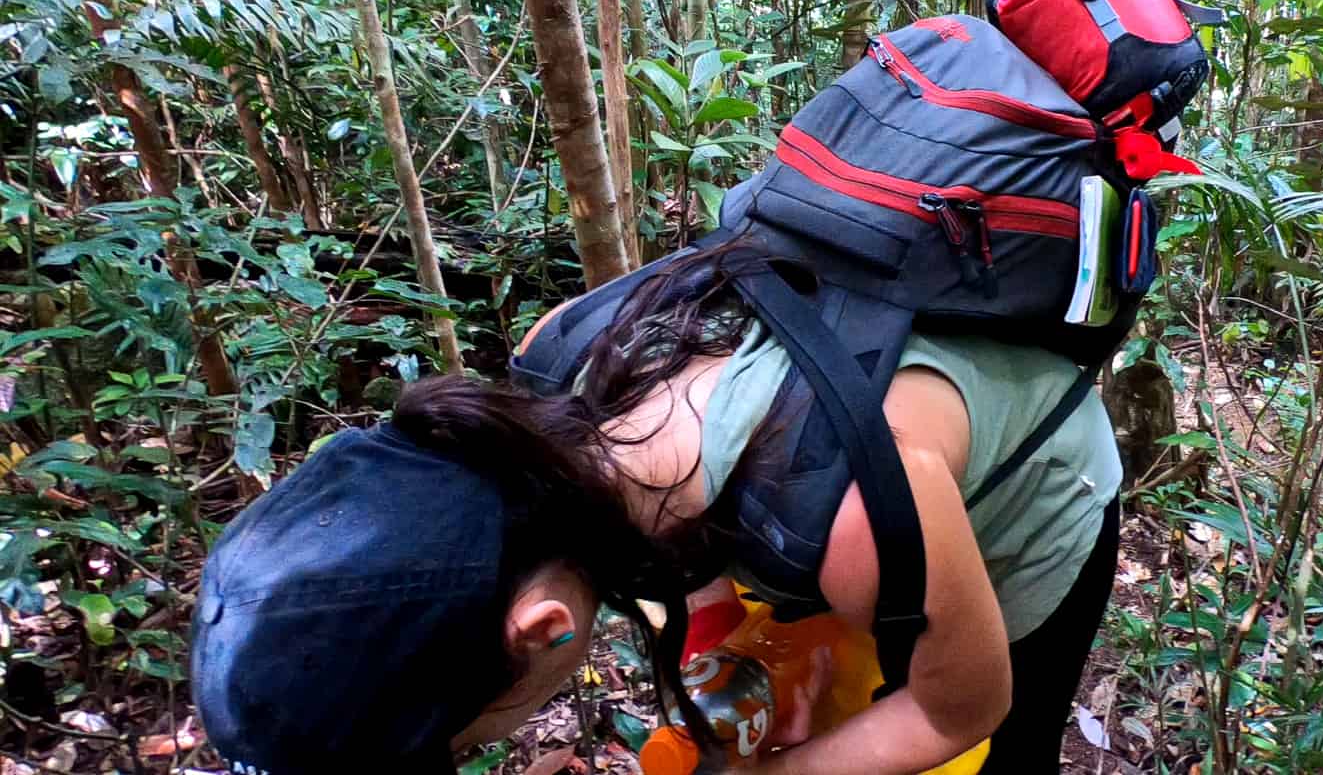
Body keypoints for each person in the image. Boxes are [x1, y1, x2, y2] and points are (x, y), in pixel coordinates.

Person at [190, 239, 1123, 774]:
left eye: (467, 739)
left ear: (541, 627)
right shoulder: (550, 382)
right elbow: (669, 527)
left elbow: (965, 706)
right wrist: (727, 653)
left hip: (1029, 497)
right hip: (848, 502)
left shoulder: (852, 520)